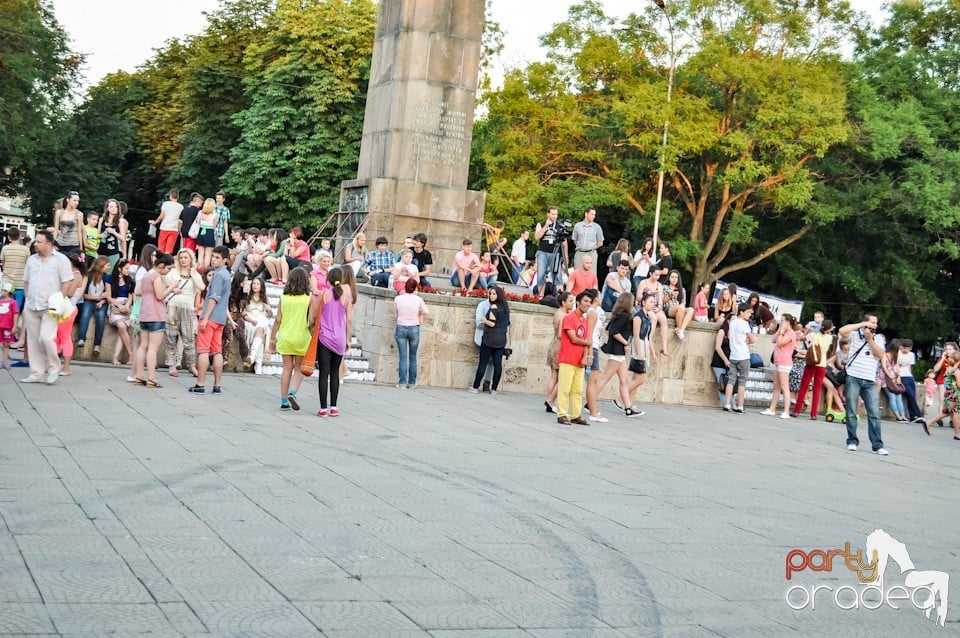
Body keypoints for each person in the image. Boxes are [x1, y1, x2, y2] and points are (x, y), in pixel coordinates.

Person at [20, 230, 74, 384]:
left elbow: (67, 281)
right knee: (33, 341)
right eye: (36, 241)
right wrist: (28, 297)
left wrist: (60, 298)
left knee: (46, 338)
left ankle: (53, 368)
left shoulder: (61, 260)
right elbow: (26, 281)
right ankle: (36, 373)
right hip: (32, 305)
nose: (35, 244)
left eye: (39, 242)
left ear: (49, 244)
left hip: (50, 307)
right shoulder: (31, 260)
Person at [838, 313, 889, 455]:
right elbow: (842, 331)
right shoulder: (854, 334)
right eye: (872, 322)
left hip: (870, 379)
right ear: (865, 323)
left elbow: (880, 354)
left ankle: (877, 445)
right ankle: (852, 441)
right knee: (851, 411)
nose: (875, 325)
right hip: (853, 376)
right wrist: (861, 325)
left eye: (876, 323)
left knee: (874, 413)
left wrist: (870, 340)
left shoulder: (879, 338)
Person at [269, 268, 318, 411]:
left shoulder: (283, 298)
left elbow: (278, 320)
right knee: (298, 369)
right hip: (302, 337)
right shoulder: (308, 299)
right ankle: (293, 392)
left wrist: (272, 338)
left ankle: (284, 401)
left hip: (285, 336)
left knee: (286, 368)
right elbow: (312, 321)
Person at [585, 293, 635, 423]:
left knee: (624, 380)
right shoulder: (624, 316)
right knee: (605, 378)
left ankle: (628, 408)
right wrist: (625, 342)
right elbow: (613, 332)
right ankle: (590, 402)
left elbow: (608, 329)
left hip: (618, 352)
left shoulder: (617, 315)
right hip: (616, 352)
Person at [130, 252, 177, 387]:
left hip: (144, 314)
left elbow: (139, 292)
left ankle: (139, 375)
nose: (168, 272)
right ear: (161, 265)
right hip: (156, 314)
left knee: (142, 346)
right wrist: (172, 288)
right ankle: (151, 378)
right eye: (168, 268)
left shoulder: (146, 274)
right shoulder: (156, 276)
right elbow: (160, 296)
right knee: (152, 348)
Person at [189, 246, 232, 394]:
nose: (213, 259)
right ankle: (217, 385)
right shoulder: (226, 274)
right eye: (213, 256)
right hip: (220, 318)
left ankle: (200, 384)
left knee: (203, 351)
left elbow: (214, 297)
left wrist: (205, 318)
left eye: (217, 257)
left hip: (211, 317)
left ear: (225, 260)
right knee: (217, 351)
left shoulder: (218, 275)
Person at [555, 290, 596, 425]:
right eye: (585, 301)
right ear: (578, 302)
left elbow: (585, 339)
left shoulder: (584, 320)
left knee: (577, 390)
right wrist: (588, 343)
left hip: (579, 361)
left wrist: (586, 356)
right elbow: (574, 338)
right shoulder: (568, 318)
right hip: (567, 358)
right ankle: (561, 414)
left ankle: (576, 414)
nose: (587, 304)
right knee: (565, 388)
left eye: (589, 302)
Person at [163, 248, 205, 377]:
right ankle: (171, 364)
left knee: (189, 337)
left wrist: (193, 274)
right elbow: (164, 286)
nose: (183, 260)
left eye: (186, 257)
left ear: (191, 259)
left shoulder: (195, 273)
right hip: (173, 305)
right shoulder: (173, 272)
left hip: (187, 307)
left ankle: (191, 365)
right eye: (181, 258)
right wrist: (173, 289)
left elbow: (202, 287)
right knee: (171, 335)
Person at [316, 267, 351, 417]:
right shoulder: (346, 297)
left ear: (328, 279)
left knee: (324, 373)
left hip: (324, 337)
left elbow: (316, 315)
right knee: (335, 373)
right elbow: (349, 319)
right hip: (340, 338)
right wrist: (348, 338)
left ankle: (323, 408)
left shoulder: (324, 294)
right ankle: (334, 407)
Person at [468, 285, 511, 395]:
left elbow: (491, 323)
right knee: (497, 364)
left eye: (493, 294)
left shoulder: (494, 308)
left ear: (498, 295)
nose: (491, 296)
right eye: (490, 294)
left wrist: (483, 319)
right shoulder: (505, 308)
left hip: (489, 338)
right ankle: (494, 389)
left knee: (483, 363)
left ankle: (475, 387)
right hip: (501, 339)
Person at [791, 319, 836, 420]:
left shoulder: (814, 335)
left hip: (811, 362)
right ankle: (813, 414)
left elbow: (803, 338)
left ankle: (796, 410)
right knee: (817, 388)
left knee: (804, 386)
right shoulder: (830, 338)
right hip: (822, 363)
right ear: (829, 329)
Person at [762, 314, 799, 418]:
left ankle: (786, 411)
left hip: (784, 362)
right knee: (776, 386)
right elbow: (773, 340)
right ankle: (772, 408)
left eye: (783, 320)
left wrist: (782, 333)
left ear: (788, 322)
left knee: (784, 386)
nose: (781, 322)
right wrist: (779, 331)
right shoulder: (782, 332)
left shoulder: (791, 334)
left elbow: (780, 343)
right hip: (777, 361)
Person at [394, 278, 428, 389]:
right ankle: (412, 383)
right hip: (414, 328)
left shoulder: (398, 299)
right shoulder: (418, 299)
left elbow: (396, 315)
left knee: (403, 357)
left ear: (405, 287)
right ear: (415, 288)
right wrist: (419, 311)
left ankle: (402, 383)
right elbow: (427, 311)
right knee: (413, 357)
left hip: (401, 327)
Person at [75, 256, 112, 357]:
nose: (109, 267)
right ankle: (81, 338)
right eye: (107, 265)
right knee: (85, 313)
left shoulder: (107, 277)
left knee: (100, 317)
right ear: (101, 265)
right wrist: (98, 297)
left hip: (102, 302)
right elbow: (85, 294)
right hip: (89, 300)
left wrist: (102, 300)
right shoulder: (89, 276)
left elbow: (108, 294)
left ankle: (97, 345)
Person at [544, 291, 574, 412]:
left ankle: (549, 401)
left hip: (554, 344)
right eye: (570, 301)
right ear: (563, 302)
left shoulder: (559, 313)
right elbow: (562, 334)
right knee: (562, 377)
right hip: (560, 346)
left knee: (554, 376)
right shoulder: (564, 315)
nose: (572, 304)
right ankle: (551, 401)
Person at [723, 303, 755, 413]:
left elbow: (730, 336)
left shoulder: (733, 323)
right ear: (741, 312)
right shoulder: (744, 323)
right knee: (742, 381)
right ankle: (740, 405)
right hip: (743, 355)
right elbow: (752, 338)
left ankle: (727, 403)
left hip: (733, 355)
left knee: (731, 380)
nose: (749, 315)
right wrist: (748, 340)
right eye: (748, 313)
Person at [1, 226, 30, 343]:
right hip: (20, 282)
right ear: (20, 236)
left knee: (5, 308)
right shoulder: (26, 250)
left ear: (8, 237)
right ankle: (12, 334)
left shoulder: (5, 248)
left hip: (7, 282)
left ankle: (3, 330)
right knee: (16, 310)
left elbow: (2, 263)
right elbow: (28, 266)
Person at [635, 268, 671, 357]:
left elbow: (660, 301)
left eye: (659, 275)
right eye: (655, 275)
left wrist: (659, 308)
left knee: (663, 319)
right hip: (645, 307)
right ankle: (649, 340)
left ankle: (664, 347)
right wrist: (648, 293)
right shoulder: (643, 283)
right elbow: (638, 297)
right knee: (653, 318)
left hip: (655, 307)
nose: (657, 277)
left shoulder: (659, 285)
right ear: (651, 273)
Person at [108, 259, 135, 366]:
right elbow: (109, 297)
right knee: (121, 326)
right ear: (119, 269)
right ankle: (131, 355)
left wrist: (127, 306)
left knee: (121, 332)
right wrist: (119, 305)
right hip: (115, 305)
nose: (128, 270)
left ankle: (115, 357)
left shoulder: (130, 280)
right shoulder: (110, 279)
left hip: (126, 305)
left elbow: (130, 296)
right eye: (126, 268)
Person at [242, 276, 272, 374]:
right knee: (259, 331)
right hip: (249, 322)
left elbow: (270, 315)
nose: (255, 286)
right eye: (254, 284)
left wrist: (268, 309)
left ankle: (252, 357)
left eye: (257, 284)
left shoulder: (264, 299)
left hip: (260, 322)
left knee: (261, 329)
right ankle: (257, 365)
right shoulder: (247, 297)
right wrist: (251, 320)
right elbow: (243, 313)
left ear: (261, 286)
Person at [534, 207, 566, 296]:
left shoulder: (560, 225)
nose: (555, 216)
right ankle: (541, 296)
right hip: (543, 252)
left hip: (555, 253)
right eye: (553, 214)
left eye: (556, 214)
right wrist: (545, 227)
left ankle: (561, 297)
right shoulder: (541, 224)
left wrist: (566, 256)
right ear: (548, 214)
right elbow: (537, 237)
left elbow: (564, 242)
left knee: (558, 275)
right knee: (541, 274)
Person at [897, 339, 926, 425]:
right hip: (901, 375)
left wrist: (911, 375)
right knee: (910, 394)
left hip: (909, 376)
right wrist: (898, 376)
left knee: (912, 395)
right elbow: (896, 365)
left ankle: (913, 415)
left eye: (907, 349)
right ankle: (917, 414)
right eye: (904, 348)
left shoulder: (911, 355)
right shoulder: (898, 353)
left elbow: (910, 366)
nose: (905, 350)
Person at [662, 269, 695, 341]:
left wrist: (682, 305)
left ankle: (681, 330)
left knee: (691, 310)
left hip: (680, 309)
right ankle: (679, 328)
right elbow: (661, 302)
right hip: (668, 308)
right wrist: (670, 296)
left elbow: (683, 302)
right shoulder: (664, 287)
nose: (674, 279)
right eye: (672, 277)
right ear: (669, 278)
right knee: (680, 307)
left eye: (676, 277)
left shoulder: (682, 290)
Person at [879, 339, 907, 422]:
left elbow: (897, 367)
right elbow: (884, 367)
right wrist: (891, 377)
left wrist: (898, 377)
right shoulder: (884, 355)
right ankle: (898, 416)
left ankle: (903, 415)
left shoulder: (896, 356)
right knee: (892, 397)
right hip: (885, 378)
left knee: (898, 397)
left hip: (894, 377)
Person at [97, 199, 128, 271]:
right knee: (99, 272)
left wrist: (114, 232)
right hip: (101, 250)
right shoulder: (102, 219)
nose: (114, 209)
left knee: (110, 274)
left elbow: (123, 239)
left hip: (113, 251)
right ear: (107, 208)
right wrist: (103, 235)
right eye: (111, 206)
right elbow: (98, 235)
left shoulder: (120, 221)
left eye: (115, 207)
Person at [150, 189, 183, 254]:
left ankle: (160, 262)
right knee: (169, 249)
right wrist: (179, 230)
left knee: (161, 248)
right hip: (174, 229)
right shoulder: (181, 207)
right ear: (178, 197)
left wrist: (155, 222)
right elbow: (180, 220)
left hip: (164, 228)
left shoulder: (165, 204)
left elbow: (161, 216)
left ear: (170, 196)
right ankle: (167, 262)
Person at [53, 191, 83, 256]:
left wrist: (81, 250)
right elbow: (56, 230)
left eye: (78, 201)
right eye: (74, 200)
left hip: (73, 244)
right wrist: (53, 244)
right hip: (61, 243)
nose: (76, 203)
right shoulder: (59, 213)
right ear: (68, 200)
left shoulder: (79, 214)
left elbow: (79, 232)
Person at [195, 198, 218, 271]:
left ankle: (199, 269)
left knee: (200, 253)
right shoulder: (215, 215)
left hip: (201, 232)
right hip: (210, 233)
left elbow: (197, 223)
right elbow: (214, 226)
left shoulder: (200, 213)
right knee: (208, 254)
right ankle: (206, 270)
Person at [0, 282, 20, 368]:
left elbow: (15, 314)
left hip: (7, 327)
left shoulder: (13, 302)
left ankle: (5, 362)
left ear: (8, 292)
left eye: (3, 290)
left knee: (6, 344)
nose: (1, 291)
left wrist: (15, 326)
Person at [943, 351, 960, 441]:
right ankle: (957, 434)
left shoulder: (948, 369)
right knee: (956, 414)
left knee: (951, 414)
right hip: (955, 394)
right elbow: (959, 384)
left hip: (948, 393)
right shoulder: (956, 371)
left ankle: (957, 433)